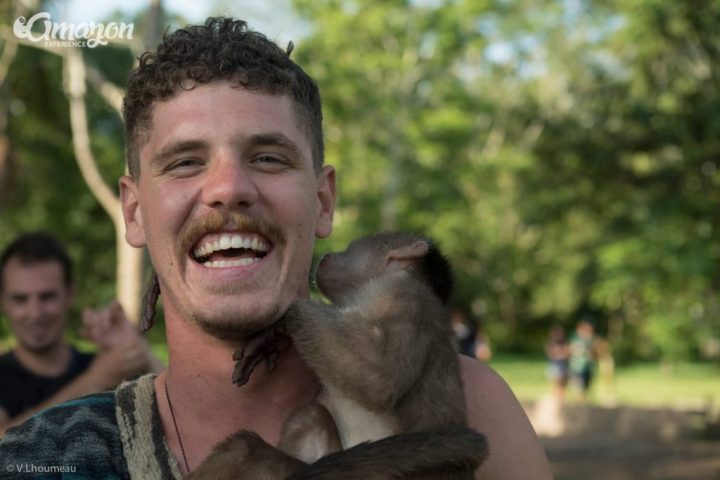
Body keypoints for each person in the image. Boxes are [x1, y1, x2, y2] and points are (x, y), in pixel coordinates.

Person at [0, 18, 552, 479]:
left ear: (323, 200)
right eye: (186, 162)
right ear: (135, 211)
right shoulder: (45, 458)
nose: (227, 189)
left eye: (267, 157)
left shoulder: (472, 405)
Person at [0, 231, 161, 436]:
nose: (35, 313)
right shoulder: (101, 372)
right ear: (2, 301)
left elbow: (182, 409)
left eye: (47, 297)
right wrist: (94, 382)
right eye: (20, 299)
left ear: (70, 294)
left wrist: (138, 350)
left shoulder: (102, 366)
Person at [568, 318, 598, 400]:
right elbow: (570, 350)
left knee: (586, 385)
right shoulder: (574, 337)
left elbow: (595, 351)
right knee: (577, 386)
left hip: (587, 366)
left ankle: (583, 399)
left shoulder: (590, 338)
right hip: (576, 366)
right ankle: (578, 400)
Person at [545, 324, 570, 401]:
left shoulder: (564, 343)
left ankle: (560, 398)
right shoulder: (551, 343)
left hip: (562, 365)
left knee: (563, 383)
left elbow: (567, 353)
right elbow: (552, 354)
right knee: (556, 383)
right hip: (556, 366)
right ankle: (555, 398)